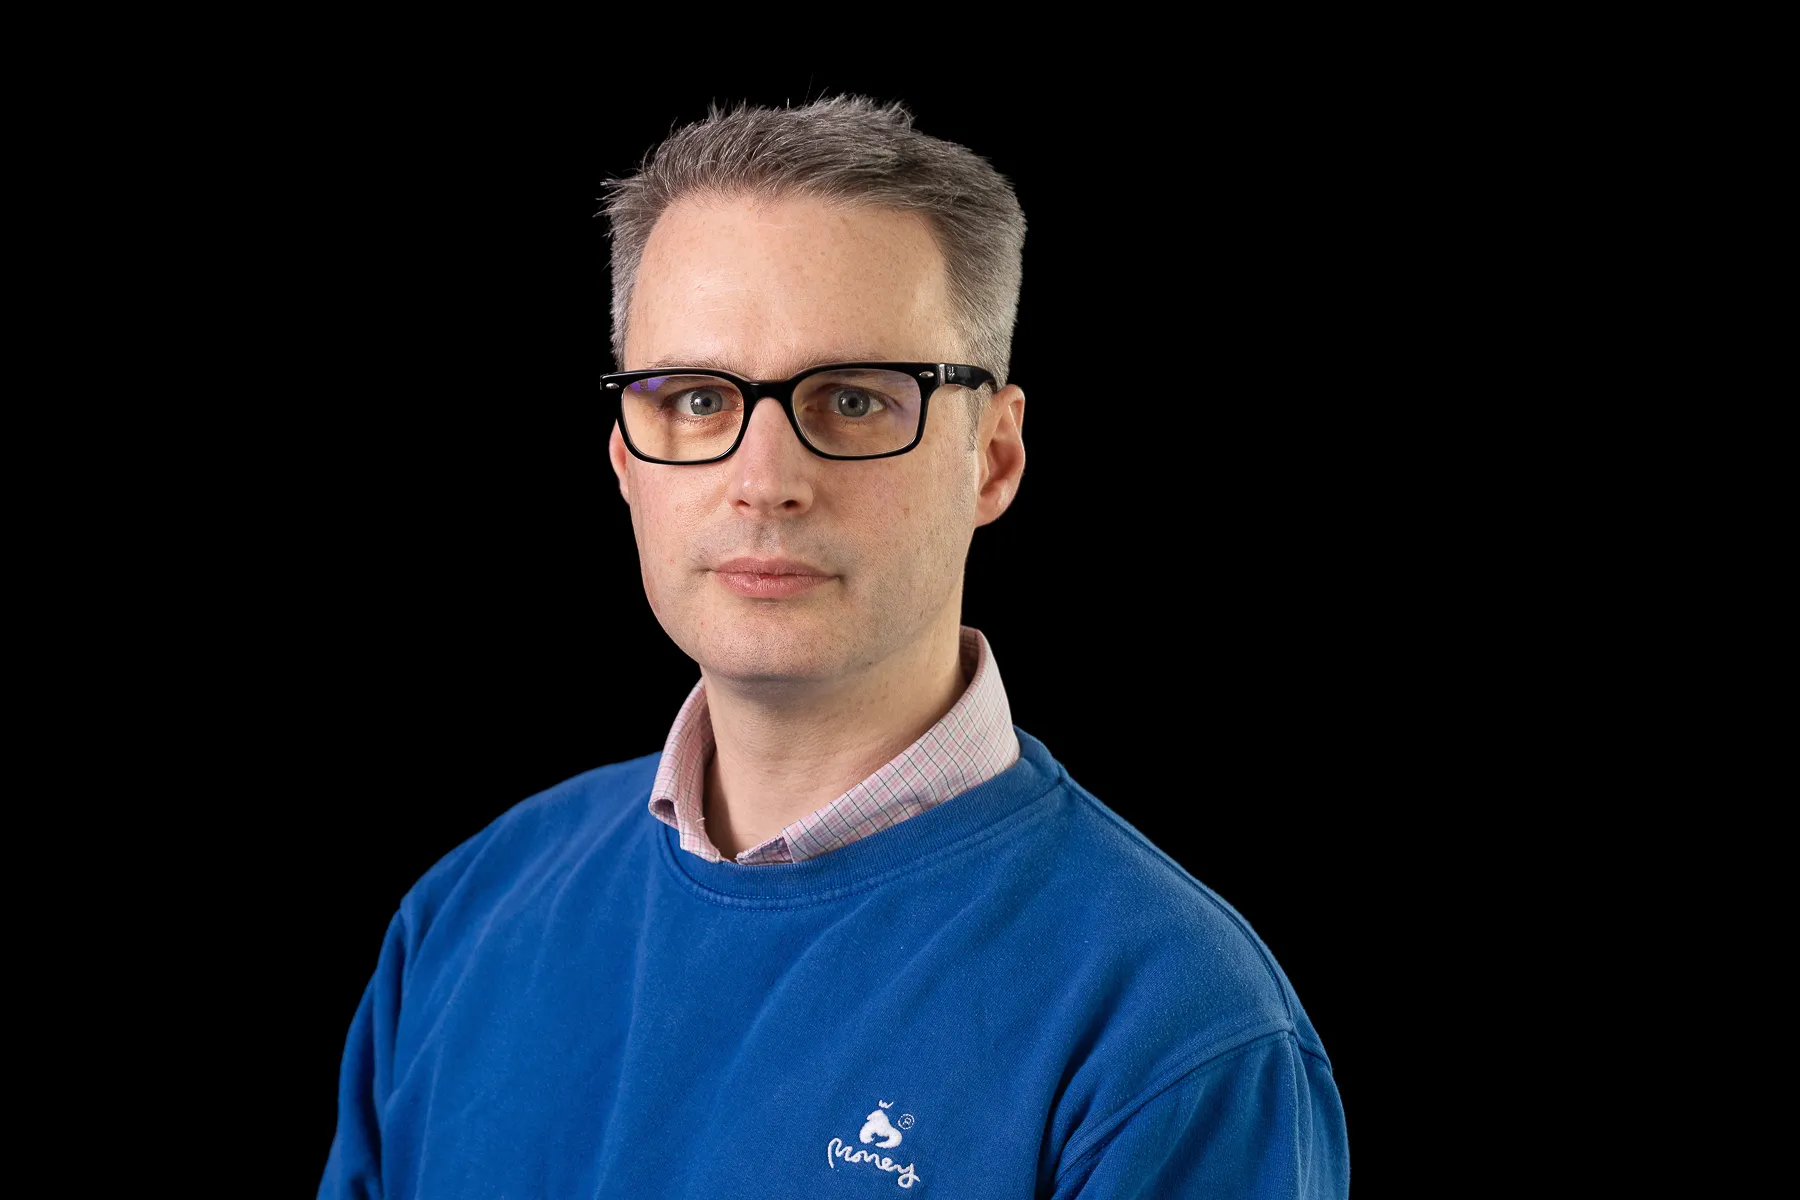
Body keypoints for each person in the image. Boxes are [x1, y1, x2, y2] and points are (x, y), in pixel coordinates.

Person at [318, 96, 1348, 1198]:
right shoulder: (465, 916)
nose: (764, 481)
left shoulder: (1175, 1035)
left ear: (993, 458)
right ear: (625, 458)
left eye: (854, 399)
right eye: (697, 399)